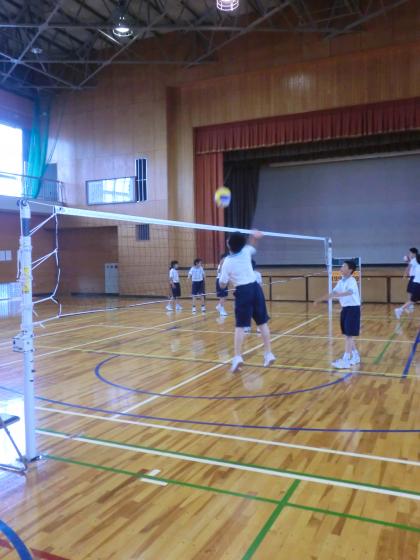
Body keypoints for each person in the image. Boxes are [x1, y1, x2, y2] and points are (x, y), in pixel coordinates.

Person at [219, 230, 275, 373]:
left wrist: (223, 279)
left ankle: (238, 357)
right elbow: (252, 246)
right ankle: (268, 353)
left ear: (228, 244)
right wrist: (254, 237)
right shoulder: (245, 251)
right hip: (256, 289)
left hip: (243, 292)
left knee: (240, 326)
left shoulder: (227, 262)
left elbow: (222, 284)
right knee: (262, 323)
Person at [314, 260, 361, 369]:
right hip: (345, 309)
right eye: (342, 266)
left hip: (353, 309)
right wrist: (320, 299)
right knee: (348, 334)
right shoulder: (341, 281)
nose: (341, 268)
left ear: (350, 270)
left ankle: (346, 360)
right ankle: (355, 356)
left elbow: (350, 292)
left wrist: (338, 295)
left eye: (344, 266)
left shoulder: (352, 280)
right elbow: (333, 293)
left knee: (349, 335)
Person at [395, 247, 419, 319]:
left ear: (414, 253)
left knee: (411, 295)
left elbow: (409, 267)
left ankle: (405, 307)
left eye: (410, 253)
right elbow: (409, 267)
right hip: (416, 281)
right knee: (411, 294)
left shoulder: (415, 261)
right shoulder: (415, 261)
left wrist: (405, 274)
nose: (409, 254)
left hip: (415, 280)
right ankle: (404, 307)